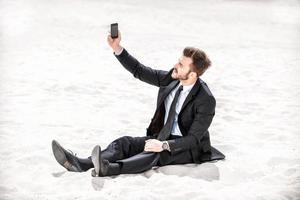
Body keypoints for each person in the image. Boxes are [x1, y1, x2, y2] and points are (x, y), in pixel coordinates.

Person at [52, 30, 225, 177]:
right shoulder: (171, 79)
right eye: (178, 61)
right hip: (162, 137)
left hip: (186, 148)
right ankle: (81, 163)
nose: (175, 65)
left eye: (181, 64)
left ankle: (109, 169)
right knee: (124, 143)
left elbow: (193, 139)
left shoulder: (206, 99)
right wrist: (117, 48)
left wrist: (164, 145)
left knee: (153, 155)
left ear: (193, 75)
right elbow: (140, 70)